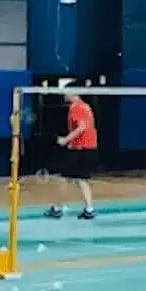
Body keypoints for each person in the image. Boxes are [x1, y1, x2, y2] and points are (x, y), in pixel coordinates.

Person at [45, 88, 98, 221]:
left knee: (64, 178)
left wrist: (65, 139)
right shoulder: (85, 106)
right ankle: (89, 209)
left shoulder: (76, 107)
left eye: (66, 92)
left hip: (79, 149)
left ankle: (57, 209)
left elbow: (82, 127)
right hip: (89, 148)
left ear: (73, 93)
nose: (64, 94)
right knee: (81, 179)